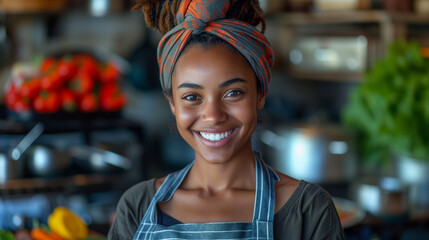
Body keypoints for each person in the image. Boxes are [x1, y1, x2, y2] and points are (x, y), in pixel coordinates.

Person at [108, 0, 344, 239]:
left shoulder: (308, 209)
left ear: (260, 94)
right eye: (191, 96)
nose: (213, 116)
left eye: (233, 93)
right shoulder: (137, 207)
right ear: (172, 103)